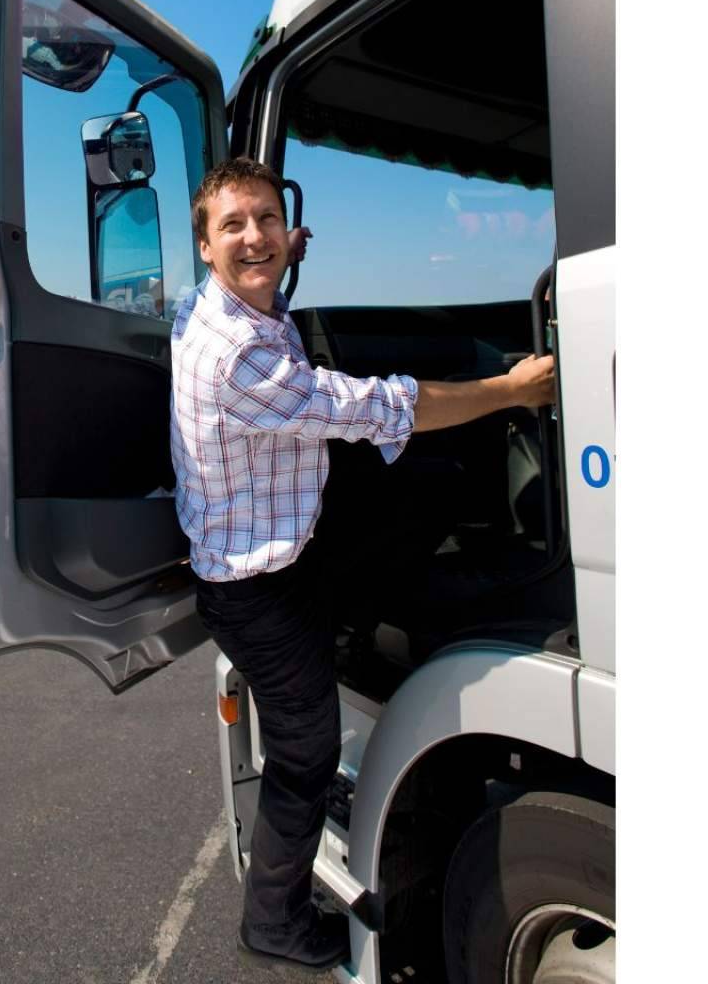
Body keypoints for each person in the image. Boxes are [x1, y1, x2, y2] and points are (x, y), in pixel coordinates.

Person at [169, 158, 556, 970]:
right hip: (256, 592)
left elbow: (261, 275)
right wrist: (510, 390)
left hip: (281, 557)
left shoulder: (214, 306)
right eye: (233, 226)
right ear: (203, 245)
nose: (255, 236)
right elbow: (379, 407)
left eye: (269, 220)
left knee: (418, 494)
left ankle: (353, 634)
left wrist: (278, 255)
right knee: (306, 753)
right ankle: (272, 922)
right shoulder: (238, 356)